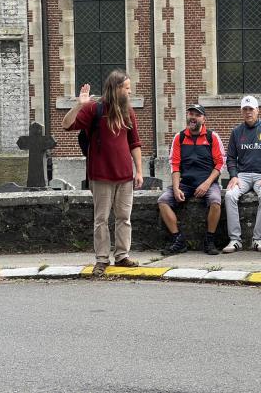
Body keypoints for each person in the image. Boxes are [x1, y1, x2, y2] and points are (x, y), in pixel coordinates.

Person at [63, 70, 144, 276]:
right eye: (126, 88)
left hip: (125, 175)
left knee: (124, 218)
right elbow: (66, 125)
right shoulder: (94, 109)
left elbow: (134, 143)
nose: (130, 91)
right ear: (116, 88)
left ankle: (122, 256)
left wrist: (139, 172)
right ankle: (101, 259)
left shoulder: (129, 111)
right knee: (101, 219)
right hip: (100, 176)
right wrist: (79, 104)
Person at [158, 104, 226, 256]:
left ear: (204, 119)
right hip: (186, 183)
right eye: (190, 114)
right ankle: (178, 240)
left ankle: (209, 240)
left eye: (197, 115)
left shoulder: (212, 137)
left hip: (208, 182)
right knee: (163, 201)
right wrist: (176, 188)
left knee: (216, 201)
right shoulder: (179, 137)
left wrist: (207, 183)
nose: (193, 117)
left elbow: (220, 163)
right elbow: (175, 165)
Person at [223, 95, 261, 253]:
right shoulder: (236, 132)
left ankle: (258, 239)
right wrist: (234, 175)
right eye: (245, 109)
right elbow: (230, 157)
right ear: (241, 112)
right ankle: (235, 240)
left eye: (251, 109)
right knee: (229, 195)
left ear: (258, 110)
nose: (248, 112)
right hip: (242, 175)